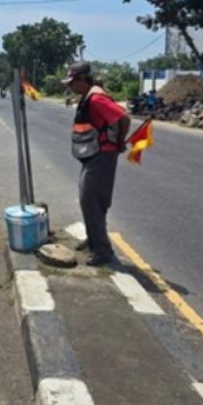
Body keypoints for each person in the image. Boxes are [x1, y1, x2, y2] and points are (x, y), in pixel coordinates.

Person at [64, 62, 131, 266]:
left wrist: (120, 142)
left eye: (72, 82)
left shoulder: (96, 99)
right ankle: (93, 239)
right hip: (93, 153)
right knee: (88, 199)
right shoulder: (88, 95)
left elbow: (123, 117)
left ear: (82, 80)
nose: (70, 87)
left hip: (103, 154)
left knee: (91, 200)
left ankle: (102, 251)